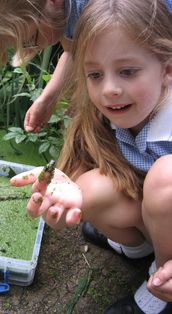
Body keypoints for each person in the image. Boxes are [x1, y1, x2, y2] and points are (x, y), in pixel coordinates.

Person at [10, 0, 172, 312]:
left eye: (127, 71)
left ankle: (161, 280)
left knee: (165, 178)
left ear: (166, 70)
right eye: (95, 74)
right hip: (156, 216)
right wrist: (69, 194)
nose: (110, 88)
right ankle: (137, 250)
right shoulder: (118, 112)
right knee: (85, 188)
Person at [0, 0, 89, 132]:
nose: (35, 48)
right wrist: (46, 100)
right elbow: (71, 53)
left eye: (29, 40)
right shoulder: (63, 12)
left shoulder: (92, 10)